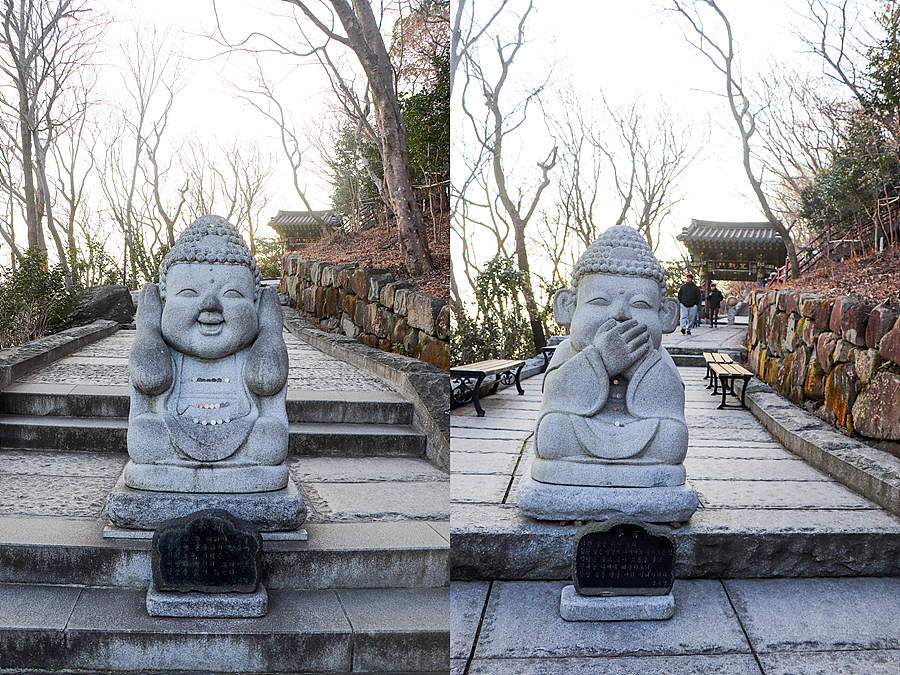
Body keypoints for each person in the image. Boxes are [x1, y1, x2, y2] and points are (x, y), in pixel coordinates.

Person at [530, 225, 688, 485]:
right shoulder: (567, 351)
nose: (620, 314)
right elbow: (556, 396)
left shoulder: (657, 355)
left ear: (666, 315)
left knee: (672, 438)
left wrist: (638, 368)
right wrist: (600, 359)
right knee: (553, 431)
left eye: (640, 304)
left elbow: (670, 399)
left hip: (642, 429)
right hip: (581, 427)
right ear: (567, 307)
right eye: (600, 301)